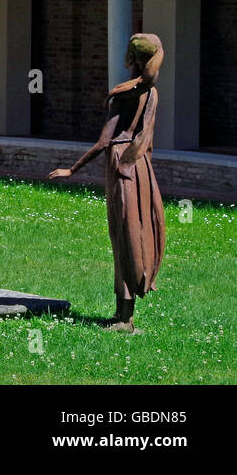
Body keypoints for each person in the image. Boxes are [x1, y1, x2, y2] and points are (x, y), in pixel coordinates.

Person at [49, 33, 166, 332]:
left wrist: (72, 170)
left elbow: (104, 141)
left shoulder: (124, 94)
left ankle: (124, 318)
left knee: (124, 236)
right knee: (137, 233)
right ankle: (124, 314)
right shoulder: (151, 92)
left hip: (121, 164)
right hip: (141, 168)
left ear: (133, 59)